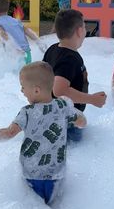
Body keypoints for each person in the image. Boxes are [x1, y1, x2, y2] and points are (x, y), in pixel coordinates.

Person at [0, 61, 86, 206]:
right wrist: (74, 116)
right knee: (54, 206)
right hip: (57, 175)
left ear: (36, 90)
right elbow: (82, 122)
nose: (21, 91)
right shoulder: (63, 106)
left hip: (32, 175)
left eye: (23, 87)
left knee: (34, 208)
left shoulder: (27, 112)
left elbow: (8, 133)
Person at [42, 9, 106, 142]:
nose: (85, 30)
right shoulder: (70, 58)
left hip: (52, 116)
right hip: (66, 122)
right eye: (84, 26)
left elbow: (43, 77)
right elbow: (60, 90)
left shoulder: (53, 49)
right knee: (75, 144)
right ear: (79, 31)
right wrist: (91, 99)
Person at [0, 0, 46, 65]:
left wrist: (13, 48)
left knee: (14, 74)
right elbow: (28, 31)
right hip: (27, 53)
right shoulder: (16, 21)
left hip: (16, 55)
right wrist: (39, 42)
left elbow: (2, 33)